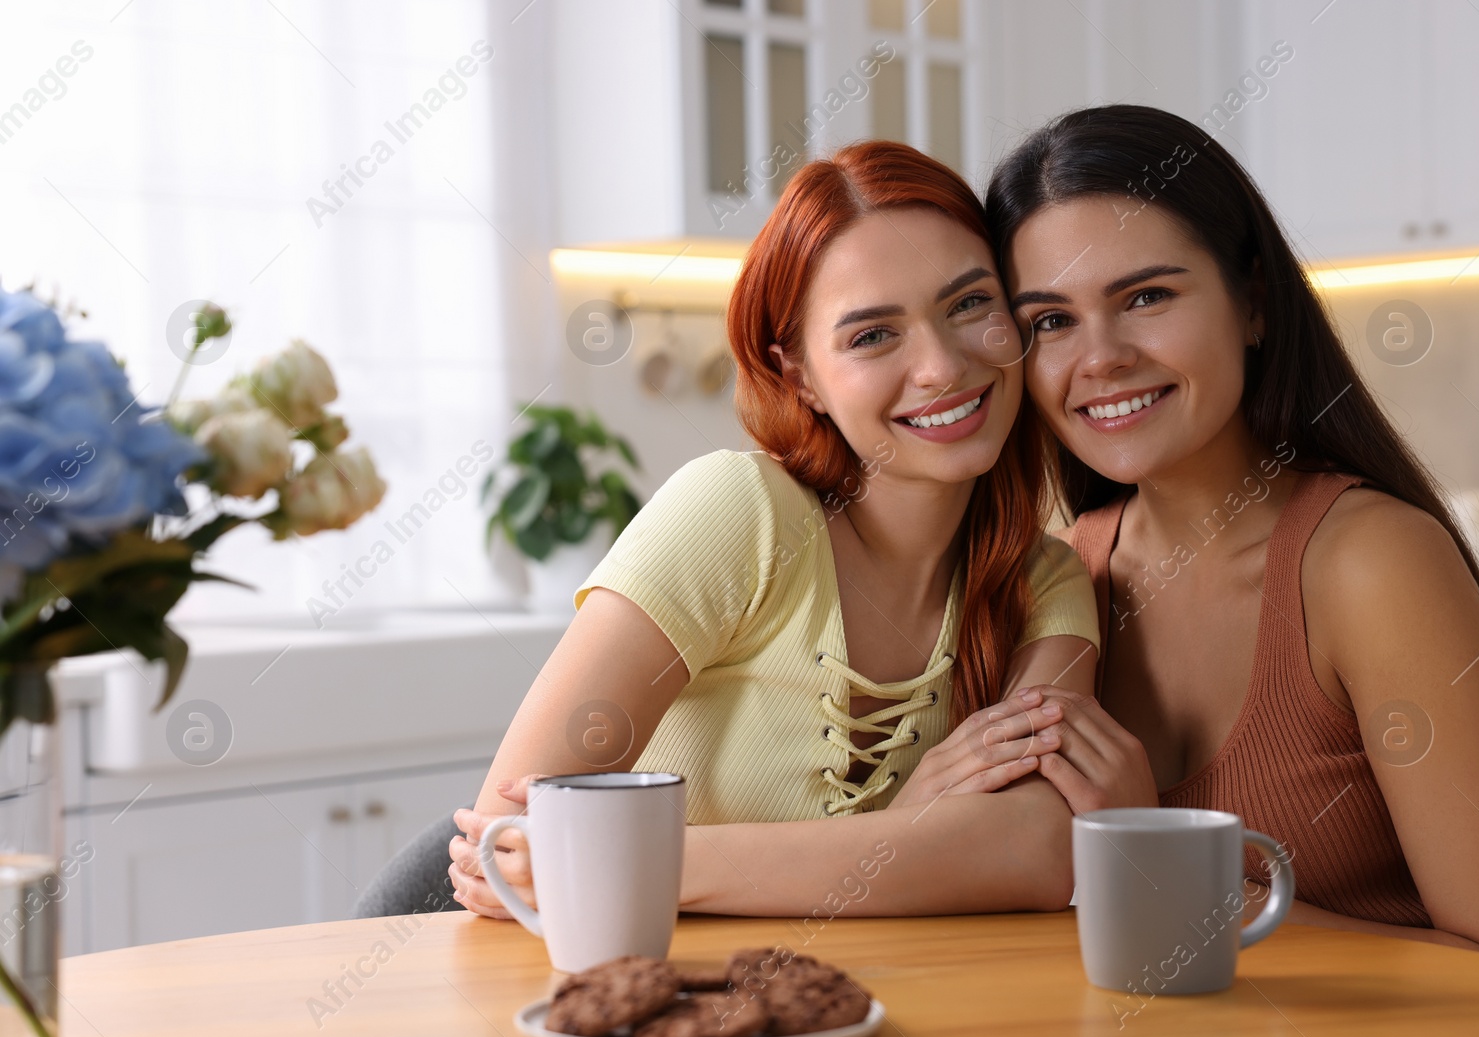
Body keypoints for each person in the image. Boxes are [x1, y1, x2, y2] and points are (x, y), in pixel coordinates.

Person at [449, 142, 1143, 919]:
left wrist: (633, 858)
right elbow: (507, 850)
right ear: (800, 376)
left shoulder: (1045, 579)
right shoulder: (737, 513)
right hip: (651, 1020)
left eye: (969, 304)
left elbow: (1033, 851)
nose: (942, 366)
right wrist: (919, 831)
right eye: (873, 335)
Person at [986, 104, 1479, 979]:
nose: (1102, 356)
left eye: (1146, 296)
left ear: (1254, 307)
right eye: (1049, 321)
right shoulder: (1060, 576)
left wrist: (1165, 862)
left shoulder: (1369, 565)